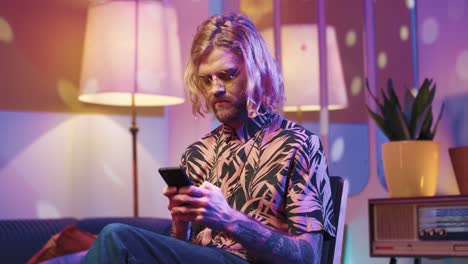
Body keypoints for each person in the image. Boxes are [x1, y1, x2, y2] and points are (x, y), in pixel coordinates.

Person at [83, 12, 336, 264]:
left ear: (256, 71)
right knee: (118, 245)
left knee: (116, 237)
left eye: (227, 75)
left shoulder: (299, 144)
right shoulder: (197, 154)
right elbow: (184, 250)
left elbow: (309, 257)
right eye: (207, 79)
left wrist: (227, 217)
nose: (216, 89)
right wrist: (180, 225)